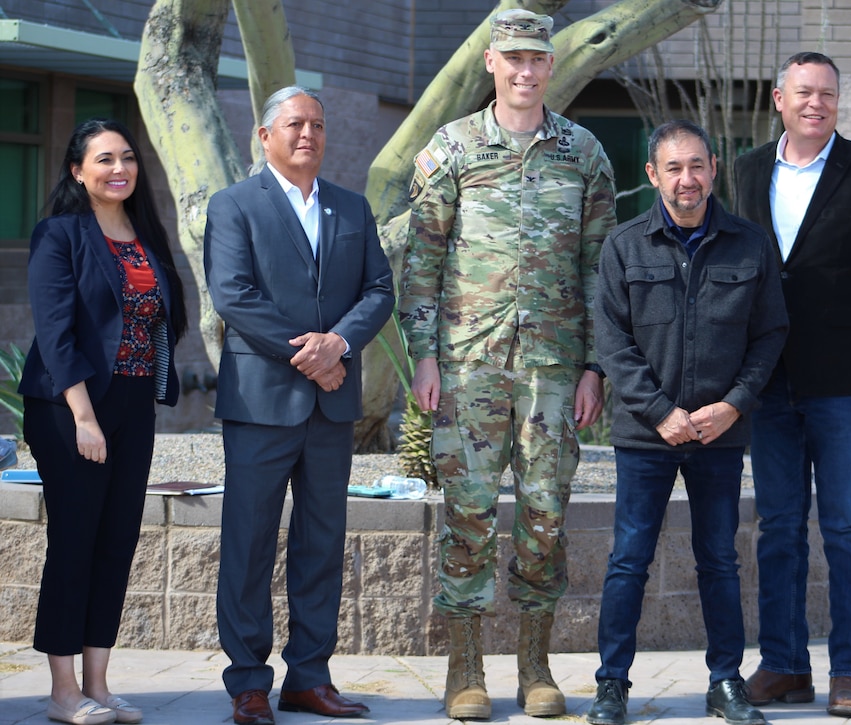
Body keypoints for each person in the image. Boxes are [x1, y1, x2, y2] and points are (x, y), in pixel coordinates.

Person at [399, 8, 616, 720]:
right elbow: (423, 262)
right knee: (466, 515)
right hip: (467, 370)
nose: (525, 71)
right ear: (491, 62)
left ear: (551, 66)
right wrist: (423, 358)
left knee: (546, 514)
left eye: (537, 59)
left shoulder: (583, 154)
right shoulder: (452, 148)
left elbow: (598, 271)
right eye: (512, 57)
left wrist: (594, 367)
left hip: (553, 372)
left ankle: (535, 663)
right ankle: (465, 668)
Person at [732, 51, 851, 718]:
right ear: (779, 98)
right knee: (777, 525)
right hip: (766, 381)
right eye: (805, 92)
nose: (818, 103)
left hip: (841, 382)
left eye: (829, 94)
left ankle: (849, 671)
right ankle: (783, 665)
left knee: (845, 526)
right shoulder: (747, 170)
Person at [586, 120, 788, 725]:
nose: (687, 179)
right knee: (628, 559)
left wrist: (734, 404)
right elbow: (612, 342)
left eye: (697, 165)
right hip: (646, 436)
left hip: (719, 434)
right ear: (653, 175)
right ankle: (611, 685)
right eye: (673, 168)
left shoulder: (751, 245)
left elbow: (770, 333)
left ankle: (725, 681)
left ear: (714, 168)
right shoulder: (623, 246)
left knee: (719, 559)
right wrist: (658, 412)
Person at [204, 86, 394, 725]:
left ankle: (309, 677)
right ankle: (249, 682)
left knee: (322, 543)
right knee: (249, 542)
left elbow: (378, 289)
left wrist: (338, 342)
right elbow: (233, 295)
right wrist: (311, 353)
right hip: (262, 403)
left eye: (316, 123)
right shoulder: (234, 205)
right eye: (293, 124)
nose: (307, 133)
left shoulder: (351, 208)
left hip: (331, 410)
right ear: (265, 136)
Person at [19, 118, 189, 725]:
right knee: (75, 542)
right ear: (77, 171)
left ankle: (98, 683)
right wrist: (84, 418)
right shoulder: (59, 234)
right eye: (104, 160)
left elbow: (161, 322)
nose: (119, 169)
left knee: (116, 542)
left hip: (133, 404)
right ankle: (63, 691)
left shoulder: (144, 233)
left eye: (127, 158)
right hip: (70, 409)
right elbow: (57, 333)